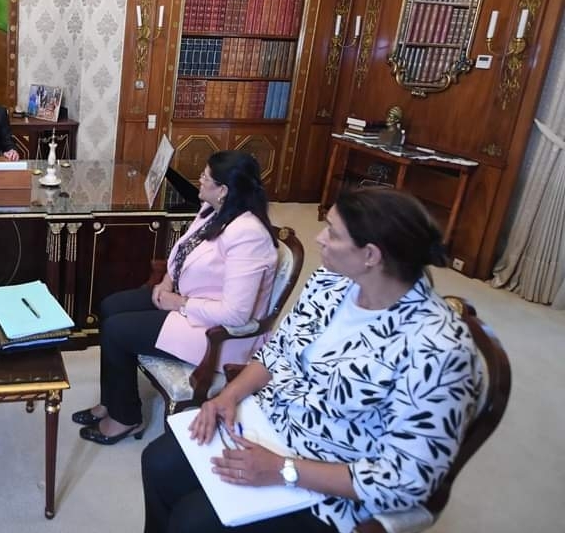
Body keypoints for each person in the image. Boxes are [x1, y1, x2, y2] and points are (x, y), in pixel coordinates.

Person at [140, 187, 481, 533]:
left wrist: (282, 469)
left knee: (193, 522)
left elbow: (406, 480)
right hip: (268, 426)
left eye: (333, 232)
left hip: (330, 482)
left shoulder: (438, 349)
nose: (320, 238)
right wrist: (227, 397)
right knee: (159, 462)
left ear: (370, 255)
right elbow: (277, 351)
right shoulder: (331, 283)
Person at [74, 151, 278, 445]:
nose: (200, 179)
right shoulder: (213, 210)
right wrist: (167, 281)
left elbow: (236, 314)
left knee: (118, 331)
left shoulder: (249, 235)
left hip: (216, 331)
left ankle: (125, 418)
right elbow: (183, 252)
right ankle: (112, 401)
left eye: (206, 176)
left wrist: (179, 303)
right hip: (188, 298)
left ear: (223, 190)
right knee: (111, 306)